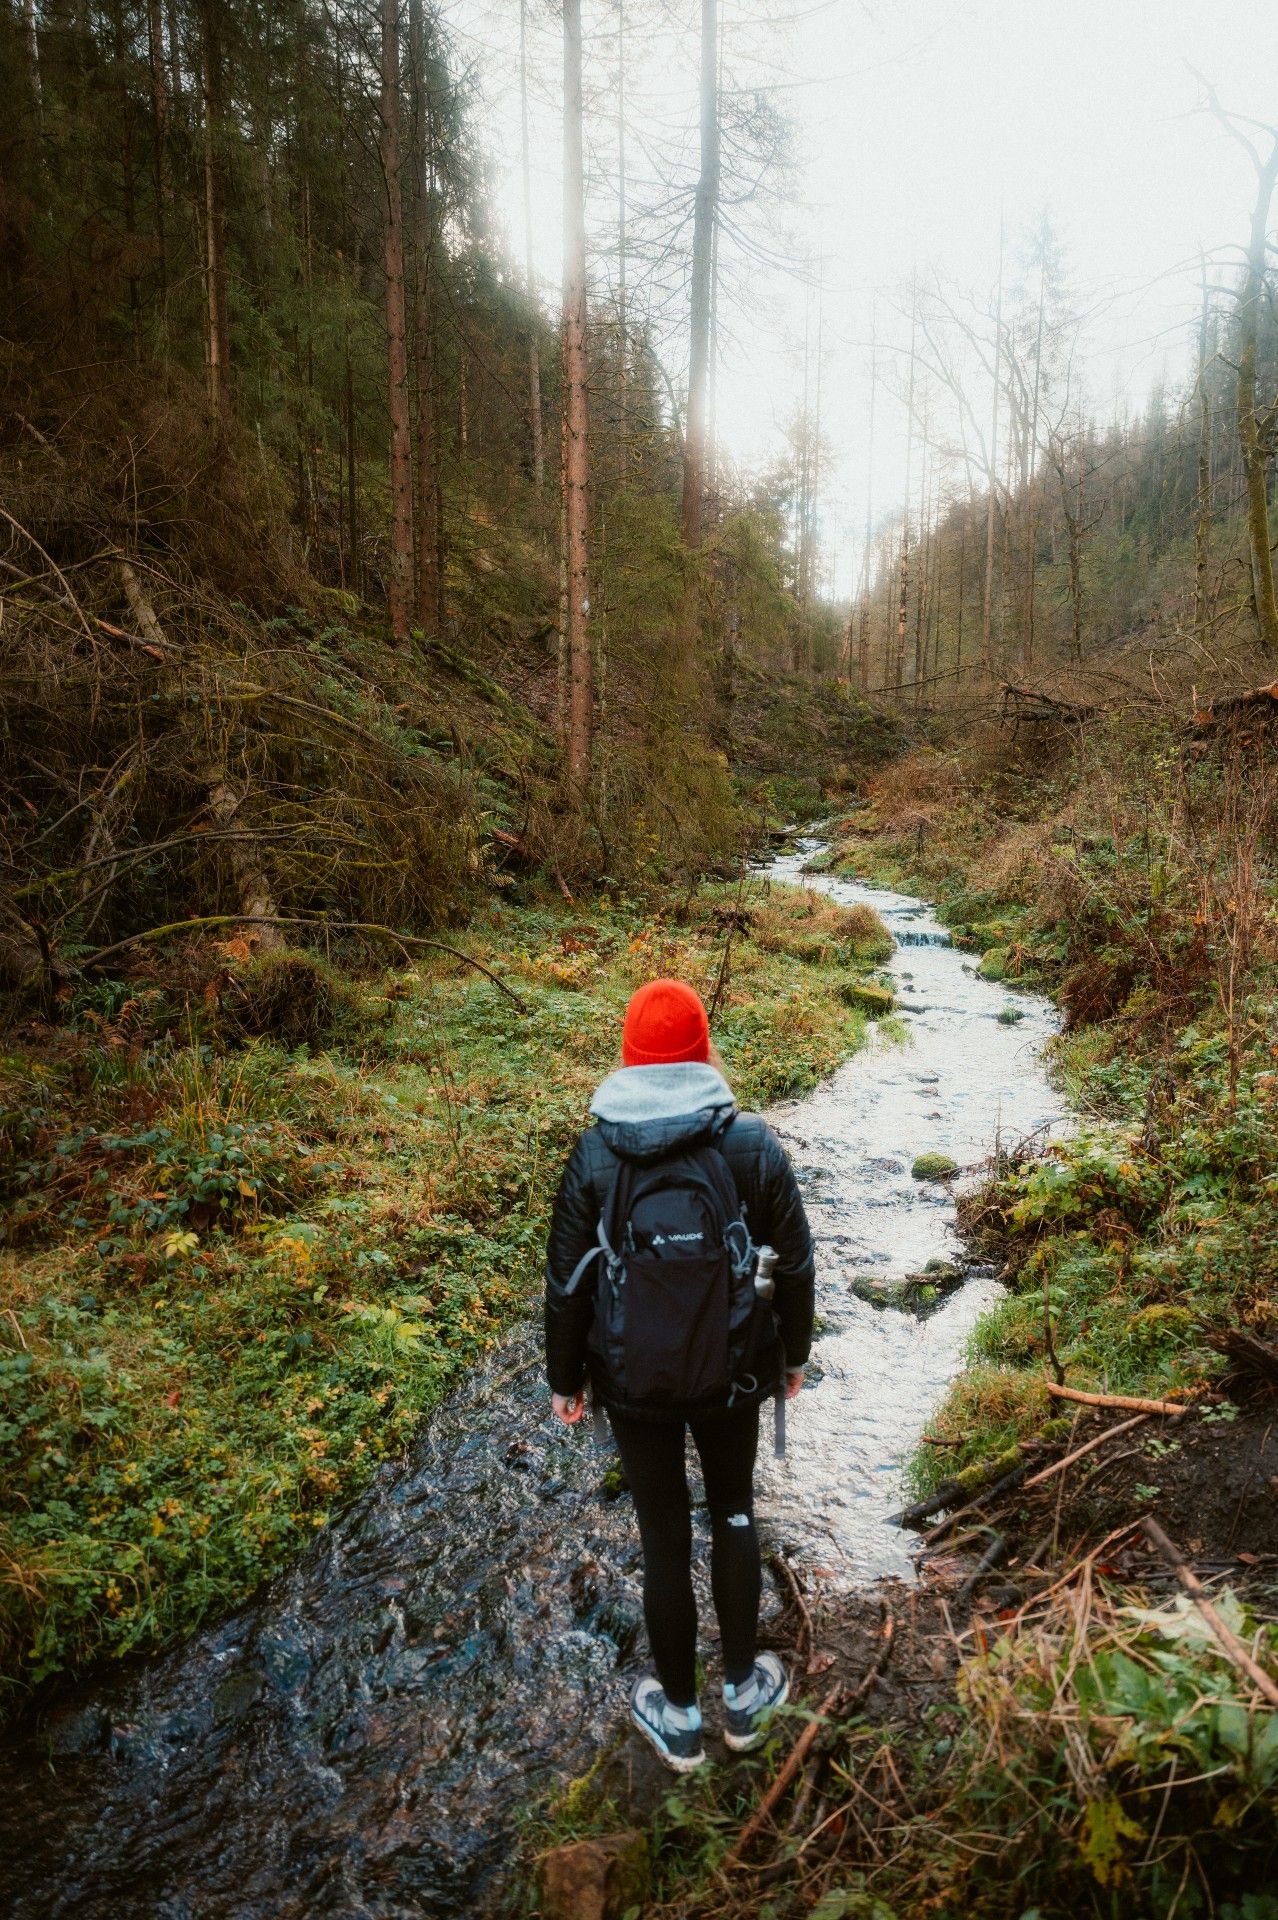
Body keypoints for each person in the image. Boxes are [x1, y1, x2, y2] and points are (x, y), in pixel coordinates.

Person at [544, 977, 815, 1772]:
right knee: (732, 1509)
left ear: (629, 1055)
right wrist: (791, 1357)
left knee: (662, 1537)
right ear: (704, 1049)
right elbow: (794, 1265)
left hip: (633, 1381)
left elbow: (566, 1284)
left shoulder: (596, 1152)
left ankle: (680, 1719)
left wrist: (567, 1380)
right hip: (734, 1373)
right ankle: (742, 1699)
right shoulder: (751, 1143)